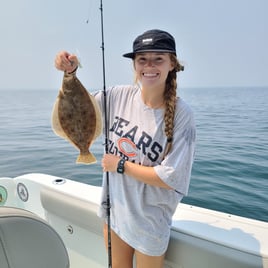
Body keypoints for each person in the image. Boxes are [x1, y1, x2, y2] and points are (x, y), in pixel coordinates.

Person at [55, 29, 196, 268]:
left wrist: (120, 165)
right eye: (142, 59)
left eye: (158, 59)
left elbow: (172, 177)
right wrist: (70, 73)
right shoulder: (118, 96)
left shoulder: (183, 116)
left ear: (172, 63)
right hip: (114, 213)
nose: (149, 65)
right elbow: (78, 108)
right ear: (134, 65)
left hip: (149, 223)